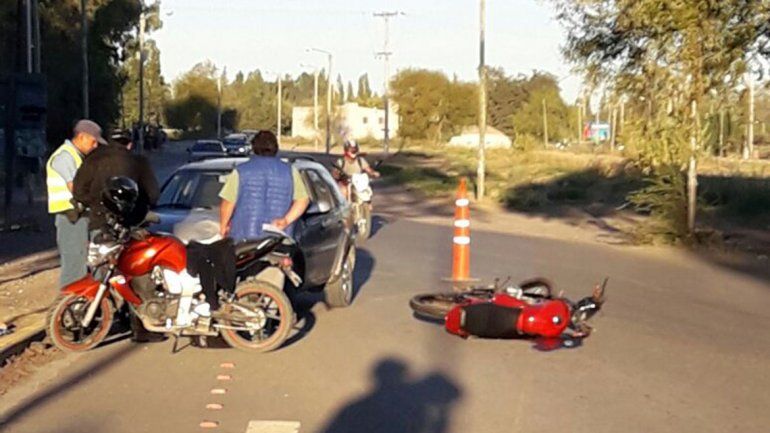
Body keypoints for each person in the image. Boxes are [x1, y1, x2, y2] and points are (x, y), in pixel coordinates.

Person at [218, 130, 310, 242]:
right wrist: (286, 220)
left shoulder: (241, 171)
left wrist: (223, 226)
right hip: (278, 238)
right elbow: (303, 200)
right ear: (275, 148)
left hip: (244, 239)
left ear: (254, 148)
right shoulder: (290, 171)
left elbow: (228, 203)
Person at [46, 120, 105, 287]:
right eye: (93, 141)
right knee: (75, 266)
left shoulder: (77, 157)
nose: (95, 146)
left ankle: (94, 298)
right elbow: (76, 188)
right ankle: (72, 300)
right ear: (82, 137)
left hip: (81, 216)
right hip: (70, 217)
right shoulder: (65, 156)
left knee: (98, 260)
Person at [73, 129, 159, 232]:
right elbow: (153, 195)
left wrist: (97, 202)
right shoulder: (140, 162)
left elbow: (78, 191)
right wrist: (137, 204)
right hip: (131, 222)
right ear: (129, 145)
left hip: (100, 220)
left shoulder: (92, 159)